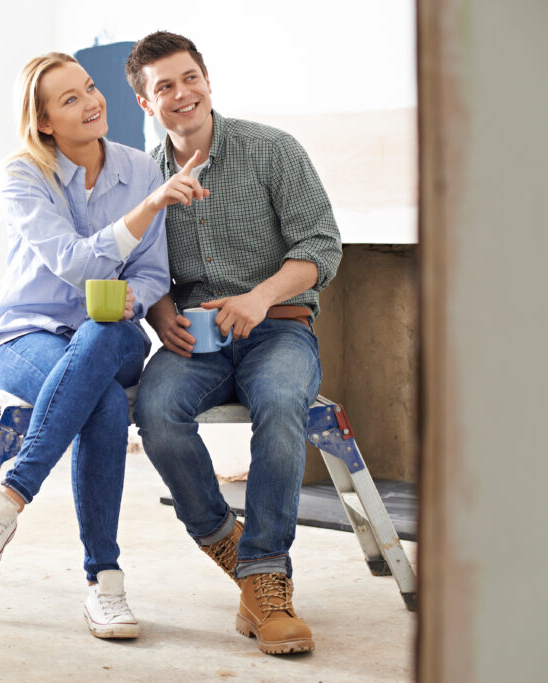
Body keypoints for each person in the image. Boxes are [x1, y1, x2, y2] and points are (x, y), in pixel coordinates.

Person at [0, 52, 208, 640]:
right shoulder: (21, 175)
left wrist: (123, 299)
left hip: (112, 334)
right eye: (70, 99)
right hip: (22, 334)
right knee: (106, 405)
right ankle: (106, 584)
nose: (92, 102)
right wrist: (150, 209)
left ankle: (10, 498)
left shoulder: (140, 168)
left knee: (102, 333)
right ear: (44, 122)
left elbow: (151, 274)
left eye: (89, 88)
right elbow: (70, 262)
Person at [126, 32, 342, 655]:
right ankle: (231, 544)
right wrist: (163, 309)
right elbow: (144, 264)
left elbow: (320, 248)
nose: (181, 93)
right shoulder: (145, 175)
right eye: (164, 86)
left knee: (280, 404)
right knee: (155, 410)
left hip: (279, 326)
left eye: (189, 77)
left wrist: (260, 298)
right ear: (146, 102)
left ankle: (267, 575)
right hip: (198, 335)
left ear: (207, 80)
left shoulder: (273, 150)